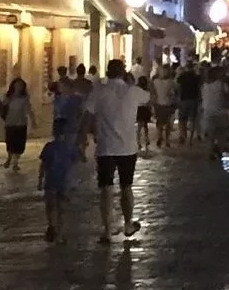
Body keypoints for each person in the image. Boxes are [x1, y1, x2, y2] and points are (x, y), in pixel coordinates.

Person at [81, 60, 148, 242]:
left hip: (105, 147)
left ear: (108, 72)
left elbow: (87, 115)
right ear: (123, 72)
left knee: (106, 189)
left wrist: (83, 139)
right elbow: (150, 97)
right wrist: (132, 83)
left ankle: (107, 230)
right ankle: (127, 224)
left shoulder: (99, 92)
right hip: (127, 147)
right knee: (126, 187)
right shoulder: (132, 91)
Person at [36, 114, 81, 242]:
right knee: (62, 208)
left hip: (51, 181)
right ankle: (59, 233)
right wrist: (74, 181)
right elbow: (75, 164)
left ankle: (52, 226)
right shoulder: (70, 147)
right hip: (64, 181)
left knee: (51, 206)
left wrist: (40, 180)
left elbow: (43, 165)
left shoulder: (49, 147)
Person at [199, 65, 229, 159]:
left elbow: (202, 98)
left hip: (208, 113)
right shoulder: (222, 85)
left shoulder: (204, 86)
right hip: (221, 112)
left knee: (210, 136)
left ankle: (210, 153)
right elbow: (228, 97)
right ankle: (221, 153)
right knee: (222, 135)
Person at [2, 78, 34, 172]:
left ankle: (15, 162)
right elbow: (2, 106)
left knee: (19, 144)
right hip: (10, 122)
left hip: (21, 123)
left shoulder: (25, 98)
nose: (19, 87)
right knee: (10, 142)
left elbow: (29, 109)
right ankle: (9, 157)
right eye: (17, 85)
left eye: (21, 85)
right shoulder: (8, 97)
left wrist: (33, 120)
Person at [148, 65, 177, 149]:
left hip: (158, 104)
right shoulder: (171, 82)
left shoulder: (155, 81)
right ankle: (167, 139)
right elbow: (174, 92)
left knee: (159, 122)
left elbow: (152, 92)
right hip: (168, 104)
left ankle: (160, 136)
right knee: (167, 122)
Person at [175, 61, 202, 145]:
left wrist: (178, 98)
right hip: (193, 99)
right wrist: (199, 98)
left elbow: (178, 88)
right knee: (192, 119)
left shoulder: (181, 76)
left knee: (182, 119)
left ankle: (183, 135)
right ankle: (190, 139)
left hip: (183, 99)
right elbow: (199, 88)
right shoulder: (197, 77)